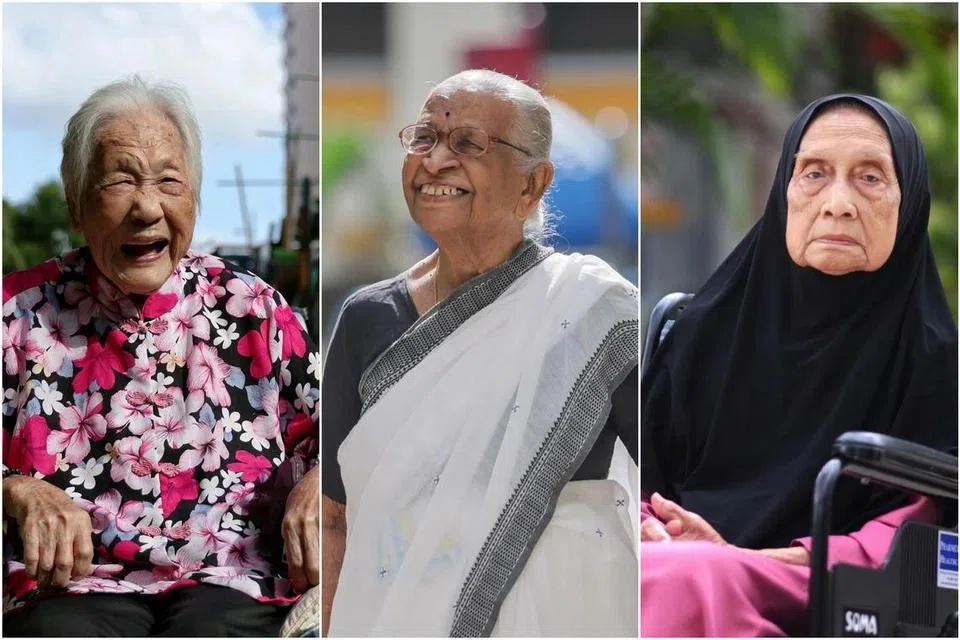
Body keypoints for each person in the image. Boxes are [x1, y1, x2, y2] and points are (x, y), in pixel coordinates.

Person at [321, 69, 639, 637]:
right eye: (424, 137)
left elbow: (668, 480)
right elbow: (335, 516)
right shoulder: (367, 317)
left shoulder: (591, 312)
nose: (436, 160)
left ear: (532, 184)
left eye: (468, 144)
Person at [1, 77, 320, 636]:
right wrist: (17, 489)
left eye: (169, 181)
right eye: (121, 180)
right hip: (71, 584)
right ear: (76, 203)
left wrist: (320, 485)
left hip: (228, 577)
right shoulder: (19, 312)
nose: (147, 208)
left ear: (192, 197)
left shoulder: (252, 307)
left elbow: (335, 431)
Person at [640, 94, 957, 636]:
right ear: (784, 192)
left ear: (909, 205)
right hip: (676, 562)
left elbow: (929, 529)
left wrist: (782, 557)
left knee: (687, 578)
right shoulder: (705, 330)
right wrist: (655, 529)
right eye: (814, 173)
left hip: (835, 584)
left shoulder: (935, 361)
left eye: (870, 178)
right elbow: (637, 476)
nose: (838, 202)